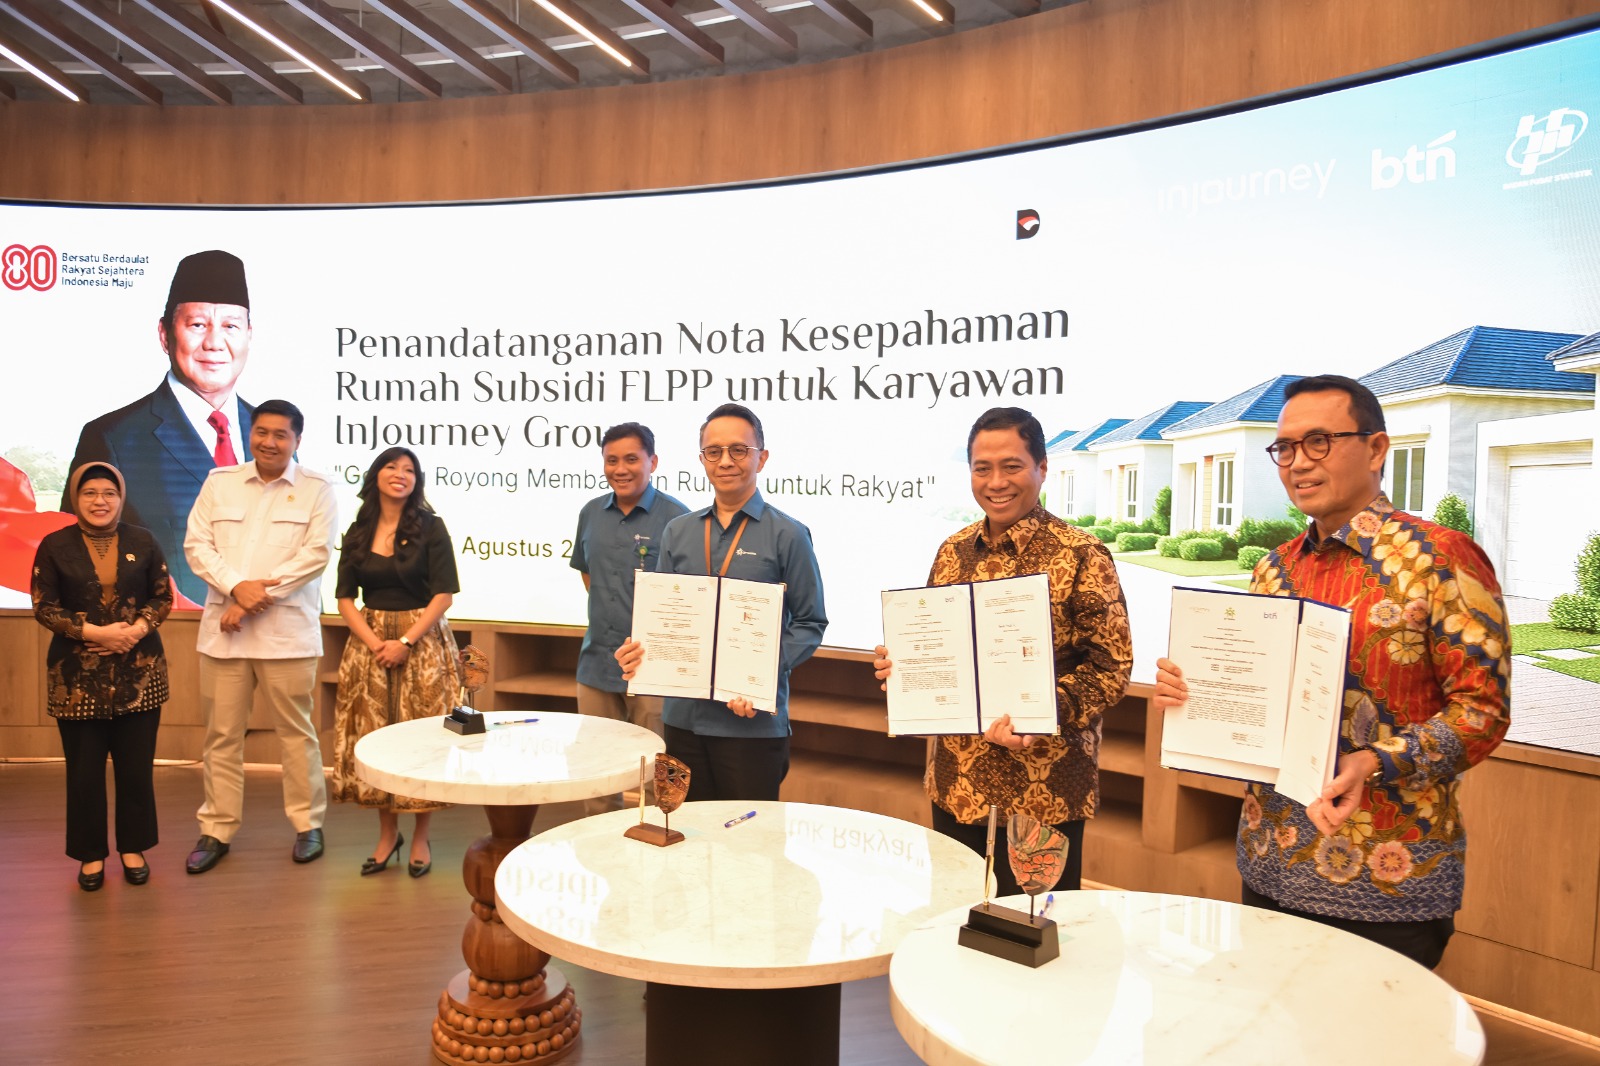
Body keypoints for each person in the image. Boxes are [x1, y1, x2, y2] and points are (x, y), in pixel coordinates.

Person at [1152, 374, 1510, 970]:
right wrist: (1194, 695)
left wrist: (1375, 761)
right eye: (1285, 448)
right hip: (1271, 861)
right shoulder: (1273, 569)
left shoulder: (1440, 558)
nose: (1298, 462)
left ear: (1376, 448)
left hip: (1389, 878)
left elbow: (1483, 711)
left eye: (1319, 441)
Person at [873, 407, 1133, 895]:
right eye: (982, 468)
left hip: (1044, 790)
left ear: (1042, 467)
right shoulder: (952, 551)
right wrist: (901, 666)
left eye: (1012, 466)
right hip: (958, 783)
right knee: (954, 915)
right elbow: (937, 645)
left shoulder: (1081, 553)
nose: (996, 482)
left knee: (1033, 926)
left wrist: (1045, 712)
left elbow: (1111, 667)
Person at [615, 403, 827, 802]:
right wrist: (640, 652)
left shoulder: (789, 535)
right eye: (714, 452)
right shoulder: (677, 532)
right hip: (682, 721)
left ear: (761, 457)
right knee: (684, 828)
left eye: (739, 450)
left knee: (747, 835)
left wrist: (760, 673)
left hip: (750, 725)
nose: (725, 461)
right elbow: (663, 618)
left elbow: (810, 622)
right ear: (702, 460)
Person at [182, 398, 338, 874]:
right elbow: (197, 545)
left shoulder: (317, 489)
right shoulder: (220, 482)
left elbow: (315, 555)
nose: (269, 442)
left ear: (297, 440)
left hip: (286, 635)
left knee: (296, 734)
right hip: (225, 635)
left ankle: (308, 824)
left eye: (280, 435)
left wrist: (252, 598)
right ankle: (216, 829)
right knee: (221, 737)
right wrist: (236, 588)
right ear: (250, 434)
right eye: (261, 432)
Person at [65, 249, 256, 606]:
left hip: (270, 628)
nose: (214, 343)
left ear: (249, 335)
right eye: (197, 325)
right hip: (165, 630)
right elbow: (72, 562)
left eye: (230, 326)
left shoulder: (269, 432)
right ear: (165, 334)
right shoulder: (113, 438)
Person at [32, 462, 172, 891]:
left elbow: (162, 596)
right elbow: (44, 606)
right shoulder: (54, 545)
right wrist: (95, 633)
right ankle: (90, 854)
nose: (100, 500)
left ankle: (134, 848)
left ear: (121, 497)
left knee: (136, 770)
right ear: (76, 498)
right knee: (84, 773)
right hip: (76, 679)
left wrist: (134, 631)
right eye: (90, 492)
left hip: (139, 674)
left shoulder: (143, 540)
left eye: (109, 493)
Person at [329, 447, 461, 878]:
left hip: (422, 643)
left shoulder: (431, 527)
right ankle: (388, 835)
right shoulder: (358, 530)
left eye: (409, 470)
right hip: (369, 646)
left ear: (416, 481)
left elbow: (444, 594)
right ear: (376, 475)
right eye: (391, 466)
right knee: (375, 738)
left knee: (421, 740)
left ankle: (420, 835)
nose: (400, 474)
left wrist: (404, 640)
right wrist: (375, 643)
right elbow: (344, 598)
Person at [570, 422, 688, 745]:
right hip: (596, 663)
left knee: (653, 764)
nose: (620, 469)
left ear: (653, 462)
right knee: (595, 762)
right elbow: (588, 573)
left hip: (654, 669)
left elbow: (690, 597)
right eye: (612, 460)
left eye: (631, 459)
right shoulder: (590, 513)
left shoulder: (678, 520)